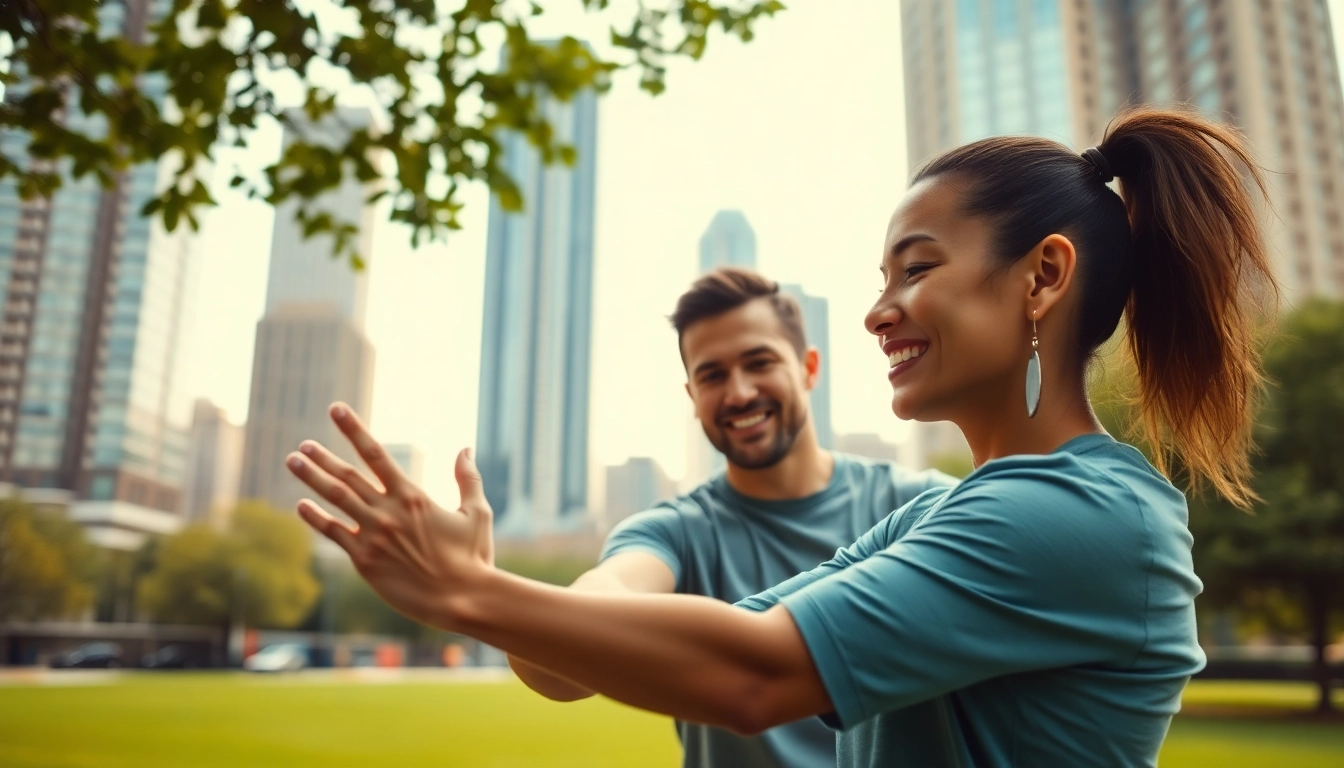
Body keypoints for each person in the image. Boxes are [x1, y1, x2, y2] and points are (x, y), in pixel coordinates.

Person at [284, 106, 1276, 768]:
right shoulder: (952, 513)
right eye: (708, 374)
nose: (878, 312)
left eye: (914, 269)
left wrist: (471, 591)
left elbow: (755, 675)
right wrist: (506, 603)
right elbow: (729, 633)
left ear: (1043, 278)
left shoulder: (1076, 517)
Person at [506, 267, 954, 768]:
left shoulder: (921, 505)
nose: (739, 392)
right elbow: (558, 661)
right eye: (712, 375)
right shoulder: (671, 532)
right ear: (692, 398)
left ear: (808, 368)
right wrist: (471, 589)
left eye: (758, 362)